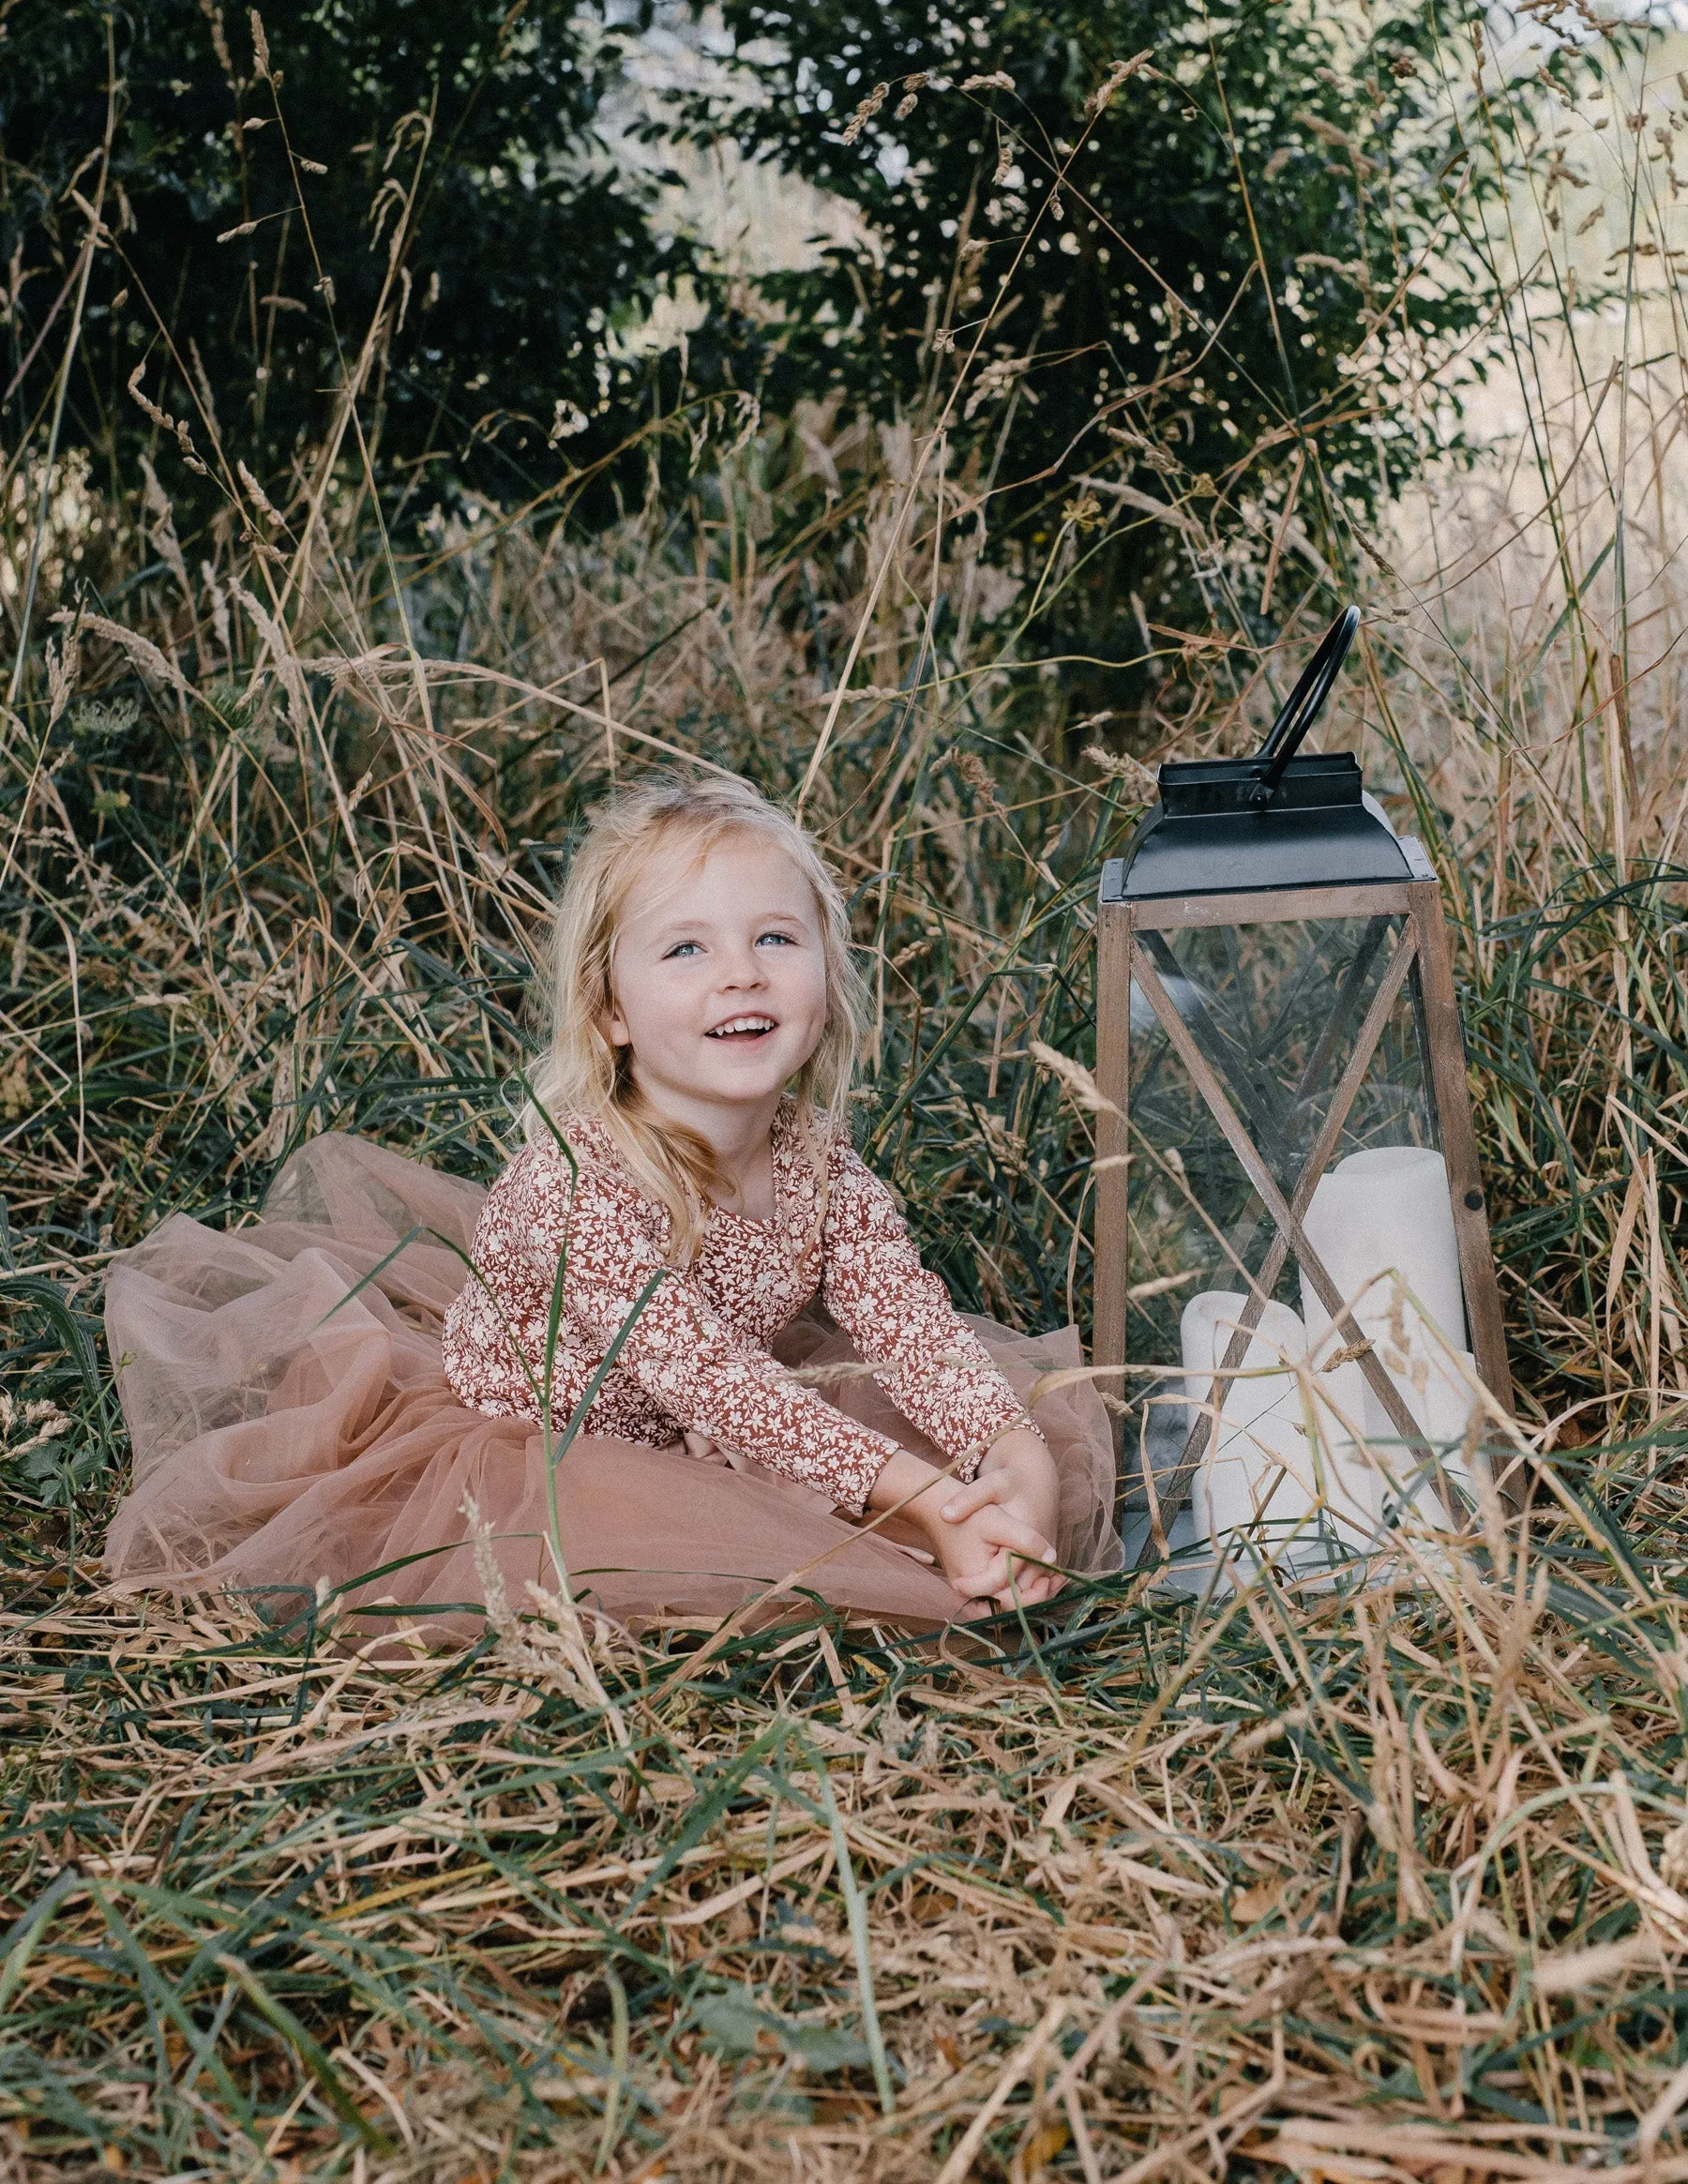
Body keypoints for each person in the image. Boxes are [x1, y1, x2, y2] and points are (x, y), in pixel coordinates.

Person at [104, 776, 1122, 1640]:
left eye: (776, 935)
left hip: (714, 1419)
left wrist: (1013, 1460)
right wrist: (937, 1499)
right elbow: (724, 1385)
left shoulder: (820, 1161)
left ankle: (975, 1526)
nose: (741, 971)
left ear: (828, 978)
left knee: (938, 1455)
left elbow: (910, 1327)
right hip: (545, 1453)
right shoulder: (573, 1187)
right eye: (685, 949)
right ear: (610, 1011)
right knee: (814, 1525)